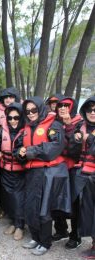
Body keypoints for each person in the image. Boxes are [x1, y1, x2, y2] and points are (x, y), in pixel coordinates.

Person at [18, 97, 71, 256]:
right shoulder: (27, 127)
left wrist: (31, 151)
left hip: (48, 174)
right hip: (32, 172)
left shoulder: (54, 125)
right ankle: (36, 237)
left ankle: (45, 242)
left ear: (41, 109)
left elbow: (54, 148)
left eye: (34, 110)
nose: (31, 113)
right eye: (27, 111)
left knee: (44, 208)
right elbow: (20, 147)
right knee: (30, 207)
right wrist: (20, 153)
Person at [0, 102, 25, 240]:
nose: (13, 121)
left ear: (21, 118)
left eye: (16, 118)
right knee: (8, 197)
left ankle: (20, 226)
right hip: (5, 169)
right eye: (10, 118)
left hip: (21, 171)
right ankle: (13, 221)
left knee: (19, 198)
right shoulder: (1, 130)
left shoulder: (26, 131)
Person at [52, 96, 82, 249]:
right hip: (58, 167)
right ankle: (61, 229)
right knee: (56, 199)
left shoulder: (81, 123)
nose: (62, 108)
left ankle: (75, 235)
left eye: (66, 105)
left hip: (74, 169)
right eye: (60, 105)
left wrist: (69, 126)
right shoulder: (54, 123)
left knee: (75, 202)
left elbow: (75, 150)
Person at [68, 97, 95, 259]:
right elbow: (72, 152)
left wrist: (89, 139)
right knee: (88, 213)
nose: (93, 112)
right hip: (84, 176)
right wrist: (75, 139)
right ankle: (93, 244)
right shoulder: (81, 127)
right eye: (89, 109)